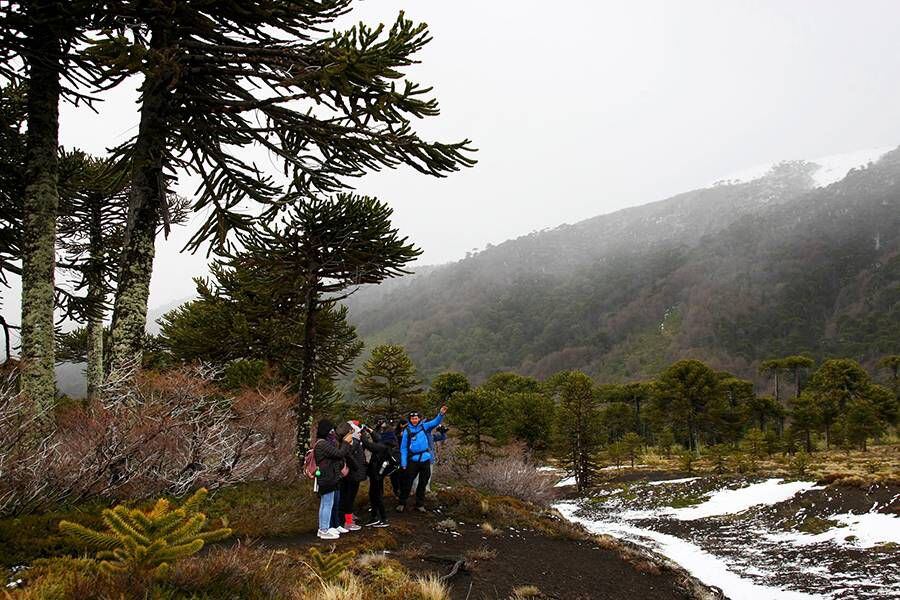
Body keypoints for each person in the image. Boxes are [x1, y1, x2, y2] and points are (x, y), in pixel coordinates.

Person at [397, 405, 448, 513]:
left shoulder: (424, 426)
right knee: (408, 483)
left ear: (419, 418)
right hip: (413, 460)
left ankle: (420, 504)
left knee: (423, 483)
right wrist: (404, 462)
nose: (414, 420)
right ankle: (402, 502)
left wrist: (441, 414)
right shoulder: (407, 431)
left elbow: (434, 422)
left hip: (425, 459)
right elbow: (403, 448)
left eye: (416, 418)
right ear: (410, 419)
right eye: (412, 419)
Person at [313, 420, 352, 540]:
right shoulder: (322, 444)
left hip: (327, 476)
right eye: (330, 430)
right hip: (327, 477)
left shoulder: (322, 443)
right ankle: (324, 529)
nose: (332, 433)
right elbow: (339, 454)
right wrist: (346, 442)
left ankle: (324, 528)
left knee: (326, 503)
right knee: (327, 504)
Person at [362, 420, 394, 527]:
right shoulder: (385, 444)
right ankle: (374, 516)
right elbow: (377, 438)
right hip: (377, 473)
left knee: (376, 495)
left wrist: (361, 433)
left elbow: (368, 445)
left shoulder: (382, 447)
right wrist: (370, 431)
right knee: (373, 494)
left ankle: (383, 518)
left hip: (377, 473)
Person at [339, 421, 366, 531]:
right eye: (358, 432)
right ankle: (348, 521)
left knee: (347, 497)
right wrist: (356, 467)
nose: (360, 434)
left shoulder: (350, 443)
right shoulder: (353, 443)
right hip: (353, 475)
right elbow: (349, 457)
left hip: (352, 474)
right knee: (349, 498)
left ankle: (347, 517)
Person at [387, 418, 406, 498]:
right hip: (395, 456)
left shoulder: (406, 432)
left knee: (402, 476)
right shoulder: (395, 433)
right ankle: (397, 491)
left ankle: (401, 491)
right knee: (395, 475)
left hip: (403, 456)